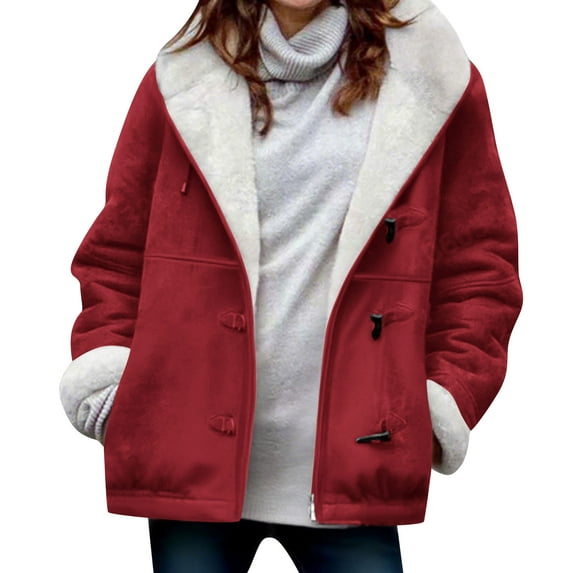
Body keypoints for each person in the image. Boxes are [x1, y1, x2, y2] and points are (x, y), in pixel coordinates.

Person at [58, 0, 523, 570]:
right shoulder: (182, 80)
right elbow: (116, 254)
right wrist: (111, 380)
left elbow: (480, 266)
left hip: (354, 464)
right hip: (189, 454)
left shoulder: (432, 78)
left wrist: (440, 397)